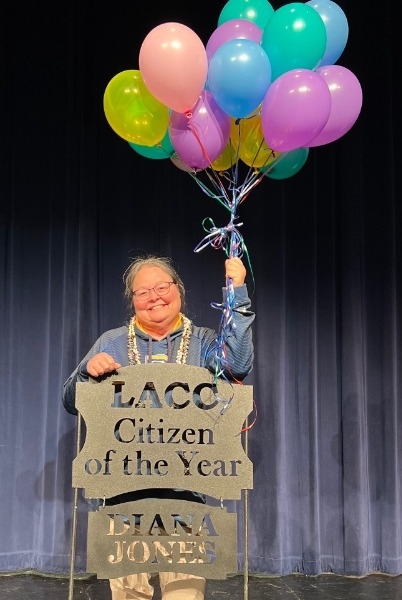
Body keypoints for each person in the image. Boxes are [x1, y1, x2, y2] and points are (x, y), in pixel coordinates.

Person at [63, 253, 254, 600]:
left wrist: (236, 291)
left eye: (162, 287)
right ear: (132, 300)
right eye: (143, 292)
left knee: (184, 595)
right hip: (124, 502)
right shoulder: (112, 342)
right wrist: (87, 373)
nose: (154, 297)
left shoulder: (203, 342)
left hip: (187, 502)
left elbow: (238, 365)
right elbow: (70, 399)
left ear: (178, 289)